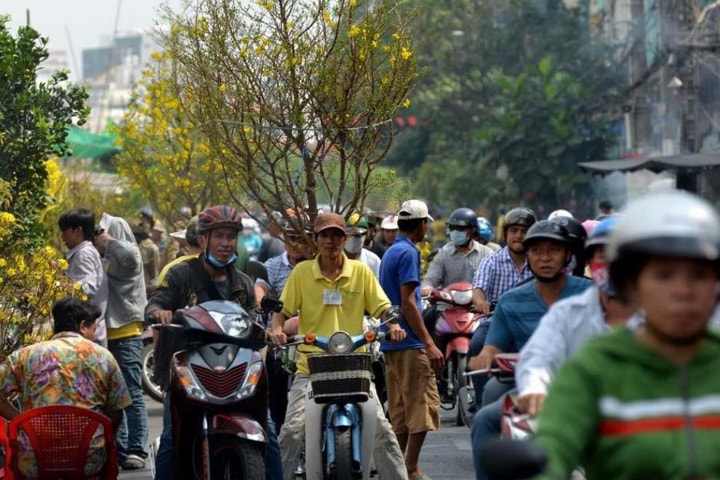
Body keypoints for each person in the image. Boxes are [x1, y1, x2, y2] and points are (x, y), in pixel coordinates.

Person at [532, 191, 720, 480]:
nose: (683, 291)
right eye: (664, 275)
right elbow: (553, 449)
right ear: (632, 285)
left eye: (699, 275)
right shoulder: (593, 369)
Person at [145, 205, 281, 480]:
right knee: (172, 437)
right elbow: (156, 302)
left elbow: (252, 320)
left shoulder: (242, 282)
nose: (226, 243)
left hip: (233, 368)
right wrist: (160, 311)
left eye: (231, 237)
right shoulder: (180, 274)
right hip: (189, 368)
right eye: (219, 236)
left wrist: (266, 331)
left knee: (269, 431)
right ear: (203, 239)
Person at [269, 212, 409, 480]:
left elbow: (382, 307)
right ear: (316, 239)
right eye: (325, 235)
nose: (331, 241)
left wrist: (392, 325)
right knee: (291, 431)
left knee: (382, 428)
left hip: (354, 366)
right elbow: (282, 310)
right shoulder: (301, 273)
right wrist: (277, 328)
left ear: (345, 239)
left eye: (336, 235)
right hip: (311, 366)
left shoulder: (360, 271)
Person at [468, 220, 591, 480]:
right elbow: (493, 346)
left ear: (568, 254)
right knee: (485, 420)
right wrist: (484, 358)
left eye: (553, 250)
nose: (544, 258)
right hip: (530, 389)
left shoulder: (590, 295)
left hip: (586, 388)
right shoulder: (511, 301)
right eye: (536, 251)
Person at [514, 216, 635, 418]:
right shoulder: (567, 312)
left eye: (621, 256)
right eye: (604, 255)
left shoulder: (661, 314)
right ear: (590, 261)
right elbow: (538, 356)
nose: (612, 265)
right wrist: (534, 387)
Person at [0, 298, 131, 478]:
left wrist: (22, 421)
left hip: (35, 458)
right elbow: (116, 412)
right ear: (83, 326)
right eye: (95, 328)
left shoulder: (24, 356)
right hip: (89, 457)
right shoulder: (103, 357)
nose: (96, 334)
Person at [378, 200, 442, 480]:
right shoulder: (408, 253)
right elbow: (408, 303)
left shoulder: (392, 251)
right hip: (409, 342)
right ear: (422, 224)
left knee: (400, 412)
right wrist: (428, 342)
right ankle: (411, 468)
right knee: (423, 407)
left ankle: (395, 470)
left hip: (392, 344)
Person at [94, 213, 149, 471]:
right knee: (117, 396)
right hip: (110, 333)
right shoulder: (109, 260)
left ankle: (137, 448)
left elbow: (130, 256)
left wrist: (109, 241)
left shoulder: (127, 258)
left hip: (126, 332)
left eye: (103, 231)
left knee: (133, 394)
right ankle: (123, 447)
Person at [467, 208, 536, 398]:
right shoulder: (492, 261)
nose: (519, 236)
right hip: (495, 323)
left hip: (533, 323)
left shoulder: (539, 260)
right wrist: (481, 303)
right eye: (514, 231)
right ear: (505, 233)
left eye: (524, 231)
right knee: (477, 345)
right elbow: (478, 289)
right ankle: (481, 399)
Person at [58, 207, 108, 346]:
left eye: (65, 231)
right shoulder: (83, 253)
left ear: (78, 231)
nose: (62, 237)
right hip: (84, 331)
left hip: (86, 333)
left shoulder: (84, 254)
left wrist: (57, 288)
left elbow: (88, 288)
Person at [421, 208, 493, 295]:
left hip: (478, 306)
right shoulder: (443, 255)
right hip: (447, 305)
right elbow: (430, 279)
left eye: (460, 228)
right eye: (452, 228)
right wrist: (427, 287)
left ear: (473, 230)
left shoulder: (487, 254)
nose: (455, 232)